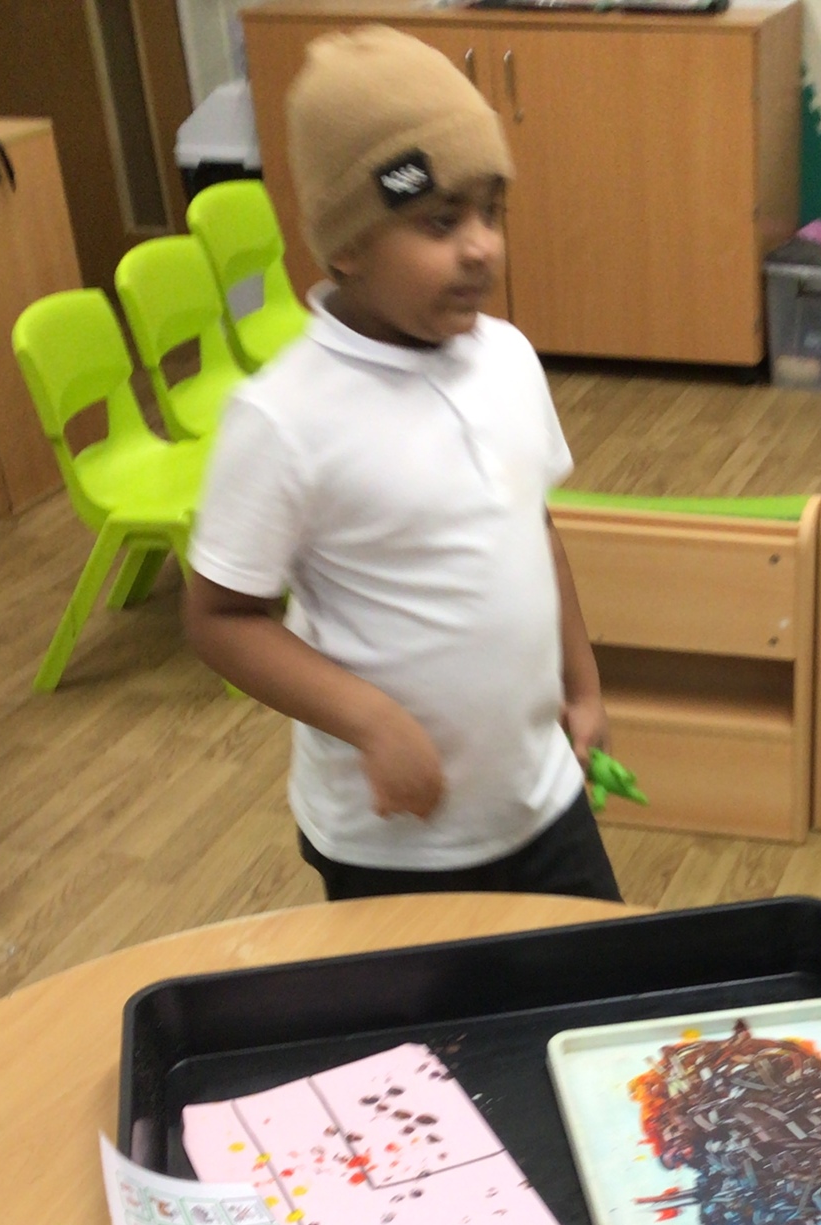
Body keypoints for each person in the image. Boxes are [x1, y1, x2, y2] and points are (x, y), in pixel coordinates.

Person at [184, 27, 620, 905]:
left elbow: (533, 530)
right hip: (398, 842)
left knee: (598, 984)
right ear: (347, 244)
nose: (481, 246)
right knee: (432, 1006)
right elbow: (221, 617)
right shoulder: (284, 416)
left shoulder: (507, 359)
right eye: (440, 221)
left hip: (543, 801)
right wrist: (372, 721)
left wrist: (584, 684)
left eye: (491, 212)